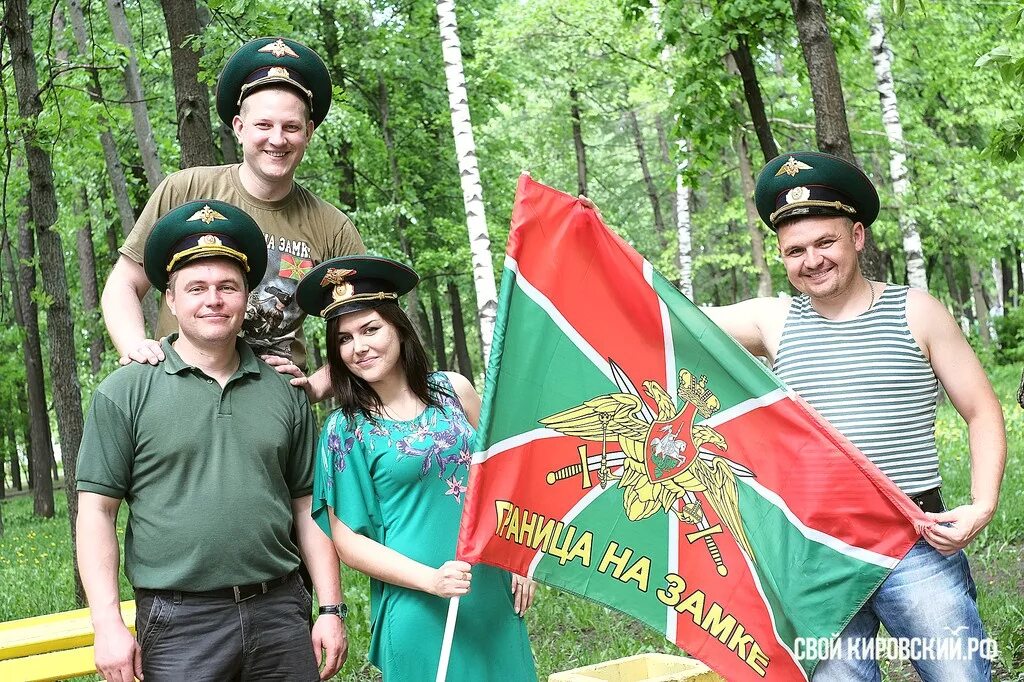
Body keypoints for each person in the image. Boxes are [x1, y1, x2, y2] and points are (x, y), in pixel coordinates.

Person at [696, 151, 1006, 680]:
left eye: (825, 242)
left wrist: (982, 504)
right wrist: (593, 244)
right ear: (780, 255)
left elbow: (980, 409)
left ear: (857, 237)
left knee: (961, 676)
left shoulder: (917, 311)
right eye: (795, 250)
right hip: (817, 553)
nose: (811, 260)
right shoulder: (773, 320)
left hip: (916, 541)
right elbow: (660, 313)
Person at [77, 200, 347, 681]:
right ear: (171, 300)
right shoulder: (126, 391)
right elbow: (97, 511)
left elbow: (308, 507)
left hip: (280, 611)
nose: (213, 300)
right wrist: (107, 623)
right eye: (196, 288)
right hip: (180, 622)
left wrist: (330, 609)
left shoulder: (285, 390)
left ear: (247, 296)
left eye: (228, 287)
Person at [295, 255, 538, 681]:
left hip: (490, 592)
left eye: (371, 329)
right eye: (345, 339)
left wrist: (521, 555)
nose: (359, 346)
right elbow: (349, 543)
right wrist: (431, 581)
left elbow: (500, 475)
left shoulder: (454, 391)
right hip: (418, 602)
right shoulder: (344, 430)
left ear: (399, 328)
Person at [101, 36, 363, 402]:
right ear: (239, 127)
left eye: (291, 127)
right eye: (263, 125)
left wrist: (318, 384)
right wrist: (134, 347)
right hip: (177, 390)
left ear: (309, 132)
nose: (277, 139)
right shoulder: (187, 189)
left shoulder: (330, 227)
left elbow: (371, 326)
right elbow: (124, 283)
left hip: (271, 403)